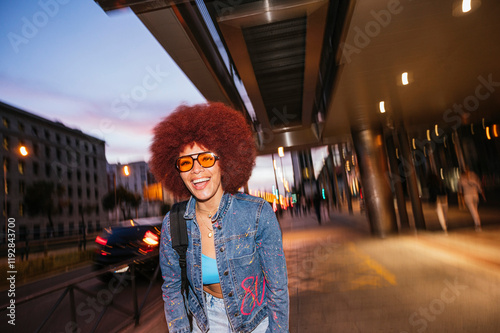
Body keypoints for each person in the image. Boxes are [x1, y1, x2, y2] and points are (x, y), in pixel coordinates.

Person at [150, 102, 289, 333]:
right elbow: (172, 289)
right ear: (178, 172)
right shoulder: (173, 224)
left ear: (222, 161)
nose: (196, 170)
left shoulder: (257, 213)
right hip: (207, 323)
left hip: (256, 320)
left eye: (205, 159)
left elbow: (277, 287)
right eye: (186, 163)